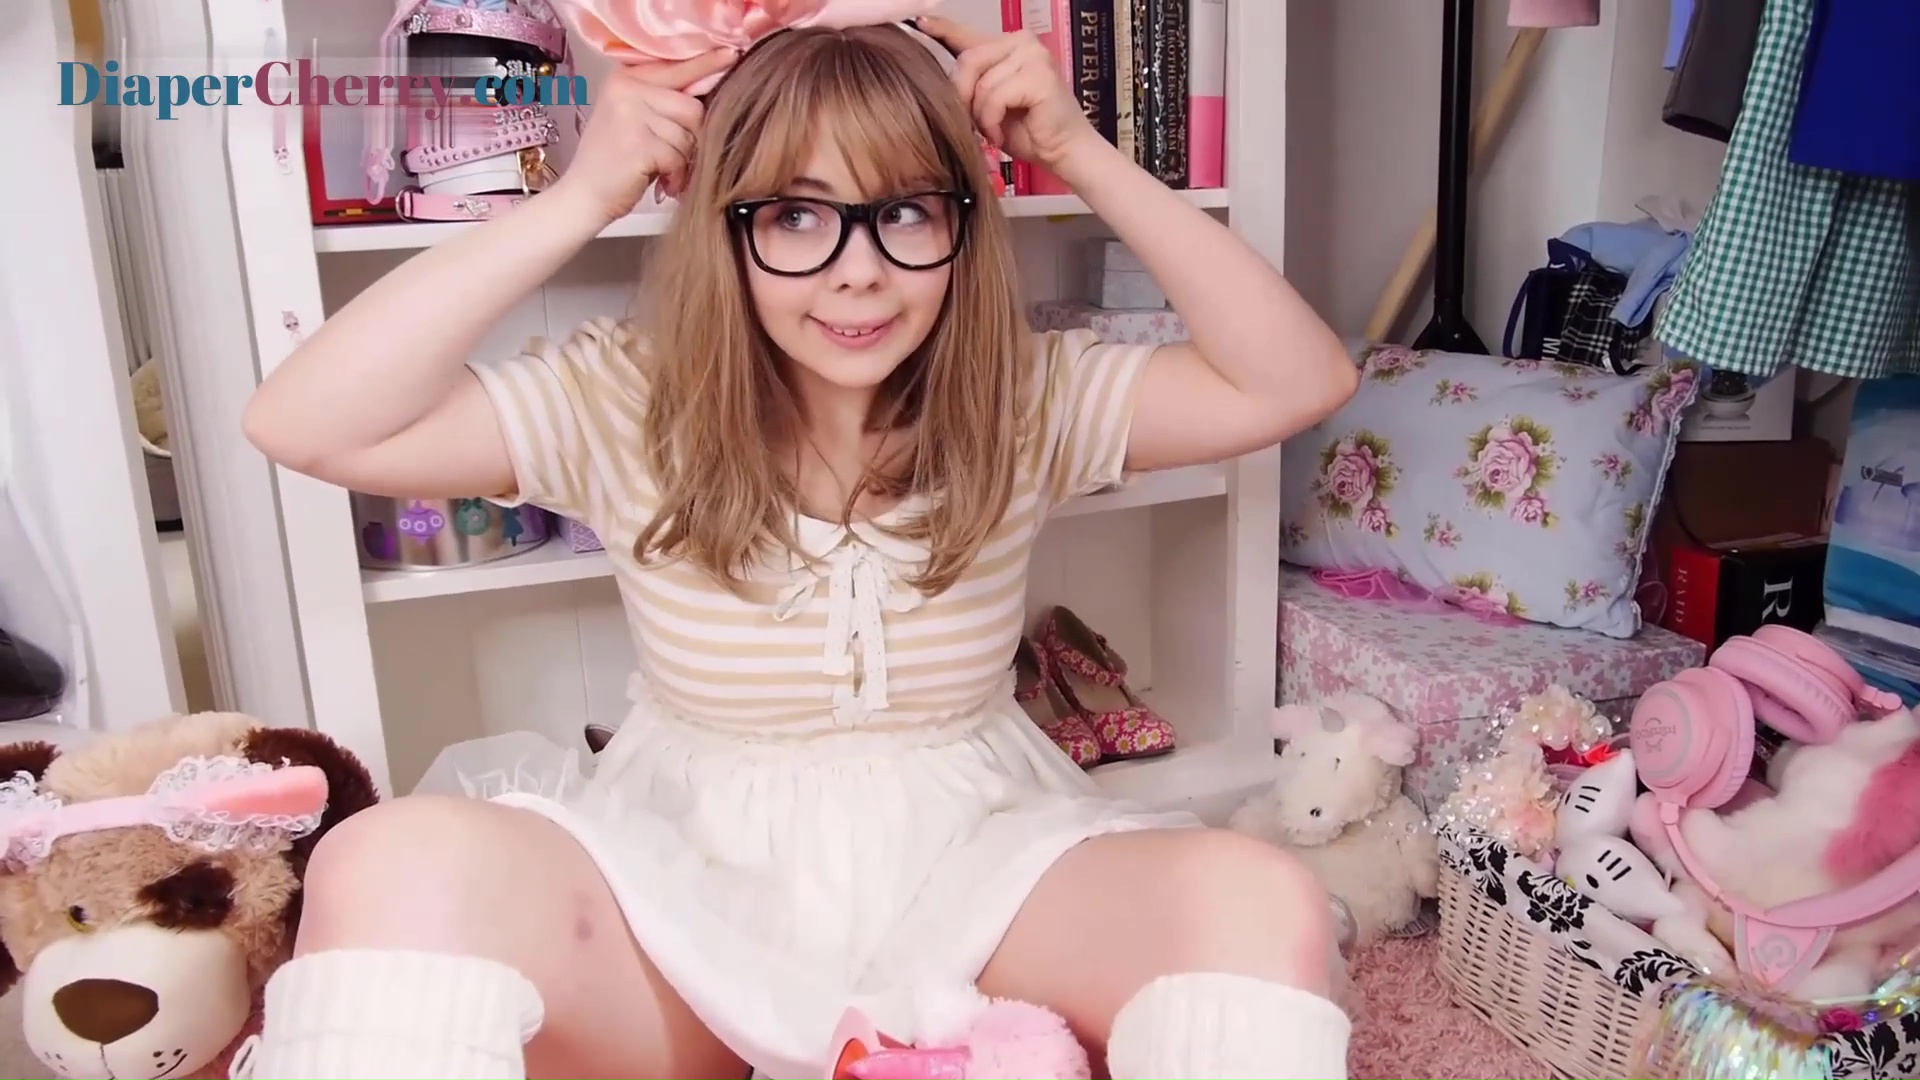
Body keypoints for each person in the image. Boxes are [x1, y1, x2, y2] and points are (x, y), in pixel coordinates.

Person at [238, 16, 1361, 1080]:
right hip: (686, 910)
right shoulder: (624, 400)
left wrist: (1078, 152)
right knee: (386, 862)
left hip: (979, 888)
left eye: (905, 212)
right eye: (794, 216)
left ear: (962, 225)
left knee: (1260, 900)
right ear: (726, 228)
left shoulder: (1021, 398)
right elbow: (306, 422)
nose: (857, 271)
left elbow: (1297, 379)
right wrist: (582, 195)